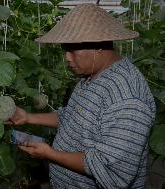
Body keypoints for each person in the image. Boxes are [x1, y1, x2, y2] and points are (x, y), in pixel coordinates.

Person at [8, 3, 156, 189]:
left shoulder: (127, 99)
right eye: (65, 50)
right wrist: (29, 117)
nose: (67, 58)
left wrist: (50, 154)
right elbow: (72, 117)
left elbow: (113, 172)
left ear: (100, 45)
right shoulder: (92, 75)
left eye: (73, 50)